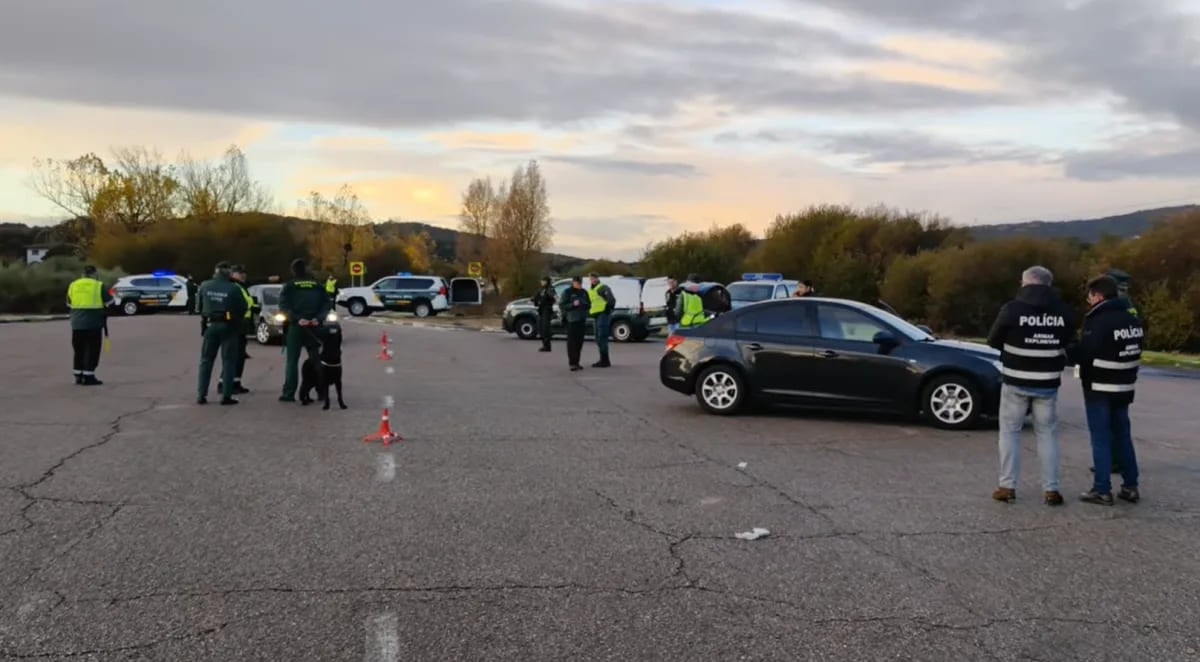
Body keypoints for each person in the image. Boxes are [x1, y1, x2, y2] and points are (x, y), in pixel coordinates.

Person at [986, 265, 1074, 506]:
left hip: (1015, 381)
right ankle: (1051, 490)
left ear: (1025, 283)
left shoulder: (1012, 309)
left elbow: (993, 340)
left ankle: (1007, 486)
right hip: (1047, 383)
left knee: (1010, 433)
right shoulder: (1064, 311)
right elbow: (1069, 343)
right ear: (1048, 284)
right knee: (1047, 435)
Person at [1069, 275, 1144, 506]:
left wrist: (1069, 350)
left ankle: (1101, 489)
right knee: (1122, 435)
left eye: (1090, 296)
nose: (1088, 301)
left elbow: (1085, 353)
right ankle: (1130, 486)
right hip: (1125, 387)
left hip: (1100, 387)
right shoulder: (1132, 319)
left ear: (1099, 296)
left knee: (1100, 439)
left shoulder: (1099, 320)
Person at [278, 258, 332, 402]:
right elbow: (327, 304)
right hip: (314, 327)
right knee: (316, 360)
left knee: (292, 361)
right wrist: (318, 319)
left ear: (293, 271)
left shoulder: (289, 286)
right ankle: (322, 392)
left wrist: (296, 318)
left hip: (297, 326)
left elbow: (283, 306)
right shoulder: (317, 285)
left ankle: (289, 393)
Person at [196, 261, 248, 405]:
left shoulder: (205, 286)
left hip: (210, 324)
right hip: (229, 326)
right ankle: (226, 396)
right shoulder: (234, 288)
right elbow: (242, 308)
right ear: (229, 273)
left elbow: (198, 306)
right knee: (229, 361)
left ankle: (201, 395)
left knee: (206, 361)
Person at [66, 265, 113, 385]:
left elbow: (69, 303)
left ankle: (78, 374)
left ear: (82, 274)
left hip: (77, 324)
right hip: (94, 323)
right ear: (94, 274)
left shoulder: (73, 285)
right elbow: (110, 302)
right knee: (92, 350)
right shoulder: (99, 285)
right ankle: (88, 375)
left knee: (78, 350)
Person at [218, 265, 257, 394]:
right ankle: (225, 383)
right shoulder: (234, 287)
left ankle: (235, 382)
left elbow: (248, 302)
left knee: (239, 356)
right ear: (232, 274)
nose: (243, 275)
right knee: (233, 356)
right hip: (236, 325)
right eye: (239, 273)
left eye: (244, 273)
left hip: (242, 325)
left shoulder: (241, 286)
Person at [560, 276, 590, 372]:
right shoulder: (567, 292)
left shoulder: (584, 292)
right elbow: (562, 305)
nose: (579, 285)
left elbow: (589, 304)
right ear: (573, 283)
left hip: (582, 319)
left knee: (579, 342)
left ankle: (577, 362)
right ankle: (572, 363)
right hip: (572, 320)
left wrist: (584, 305)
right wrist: (573, 304)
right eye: (577, 283)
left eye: (580, 283)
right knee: (572, 343)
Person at [587, 272, 616, 368]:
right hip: (596, 315)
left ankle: (605, 360)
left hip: (603, 315)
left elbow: (611, 300)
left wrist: (608, 309)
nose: (592, 280)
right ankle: (602, 358)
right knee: (597, 338)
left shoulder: (602, 287)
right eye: (590, 279)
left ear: (597, 278)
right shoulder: (591, 290)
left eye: (593, 278)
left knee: (602, 337)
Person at [532, 276, 557, 352]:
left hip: (547, 310)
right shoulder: (542, 289)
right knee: (541, 328)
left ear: (546, 281)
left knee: (546, 328)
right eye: (541, 281)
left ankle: (547, 346)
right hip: (541, 310)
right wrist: (534, 300)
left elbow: (553, 297)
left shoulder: (550, 288)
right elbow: (537, 297)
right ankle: (544, 345)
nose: (541, 282)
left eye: (543, 281)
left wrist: (549, 296)